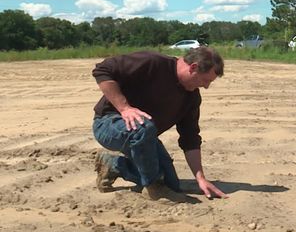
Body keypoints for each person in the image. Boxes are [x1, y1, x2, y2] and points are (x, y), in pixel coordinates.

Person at [91, 47, 228, 201]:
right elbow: (102, 69)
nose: (206, 86)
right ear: (193, 67)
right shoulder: (153, 62)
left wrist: (200, 178)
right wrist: (124, 108)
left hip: (144, 136)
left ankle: (114, 165)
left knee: (171, 185)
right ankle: (154, 188)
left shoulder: (191, 98)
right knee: (144, 129)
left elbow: (190, 139)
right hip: (108, 124)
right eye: (205, 80)